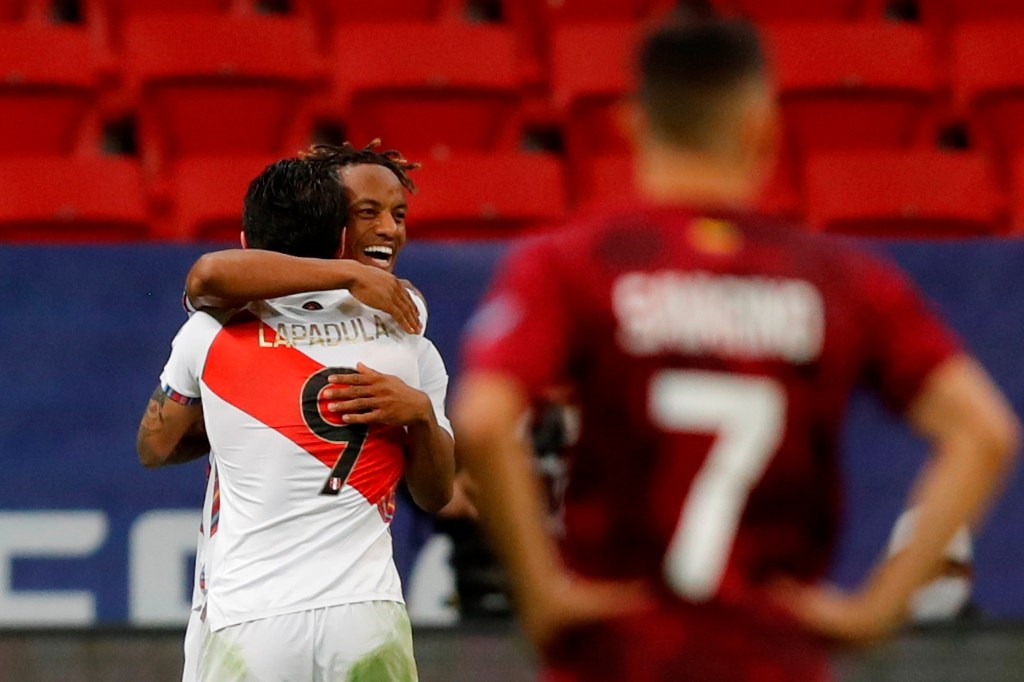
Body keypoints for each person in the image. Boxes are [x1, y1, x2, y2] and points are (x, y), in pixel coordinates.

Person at [452, 15, 1020, 681]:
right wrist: (875, 611)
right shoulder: (840, 277)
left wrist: (543, 593)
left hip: (621, 655)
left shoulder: (573, 263)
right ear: (762, 127)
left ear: (632, 124)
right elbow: (984, 432)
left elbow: (483, 420)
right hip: (770, 655)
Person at [137, 146, 455, 681]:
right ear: (338, 234)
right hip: (366, 616)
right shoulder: (404, 329)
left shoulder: (214, 329)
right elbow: (437, 495)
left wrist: (238, 423)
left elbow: (154, 446)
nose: (389, 228)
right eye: (369, 212)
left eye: (398, 214)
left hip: (247, 614)